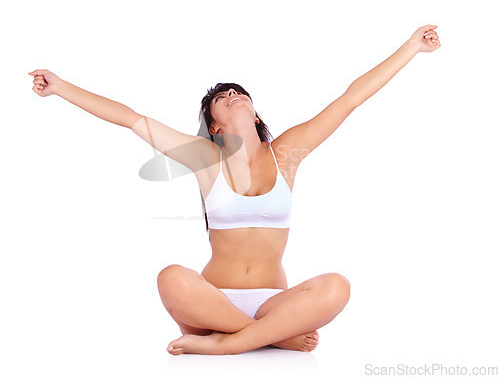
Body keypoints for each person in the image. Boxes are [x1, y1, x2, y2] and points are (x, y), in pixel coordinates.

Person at [28, 25, 441, 356]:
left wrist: (411, 47)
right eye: (222, 99)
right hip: (210, 302)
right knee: (171, 278)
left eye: (238, 93)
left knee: (338, 286)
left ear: (255, 111)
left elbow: (351, 98)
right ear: (215, 128)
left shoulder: (288, 153)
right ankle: (268, 337)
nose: (231, 96)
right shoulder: (206, 158)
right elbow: (131, 119)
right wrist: (61, 87)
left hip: (274, 303)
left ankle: (229, 344)